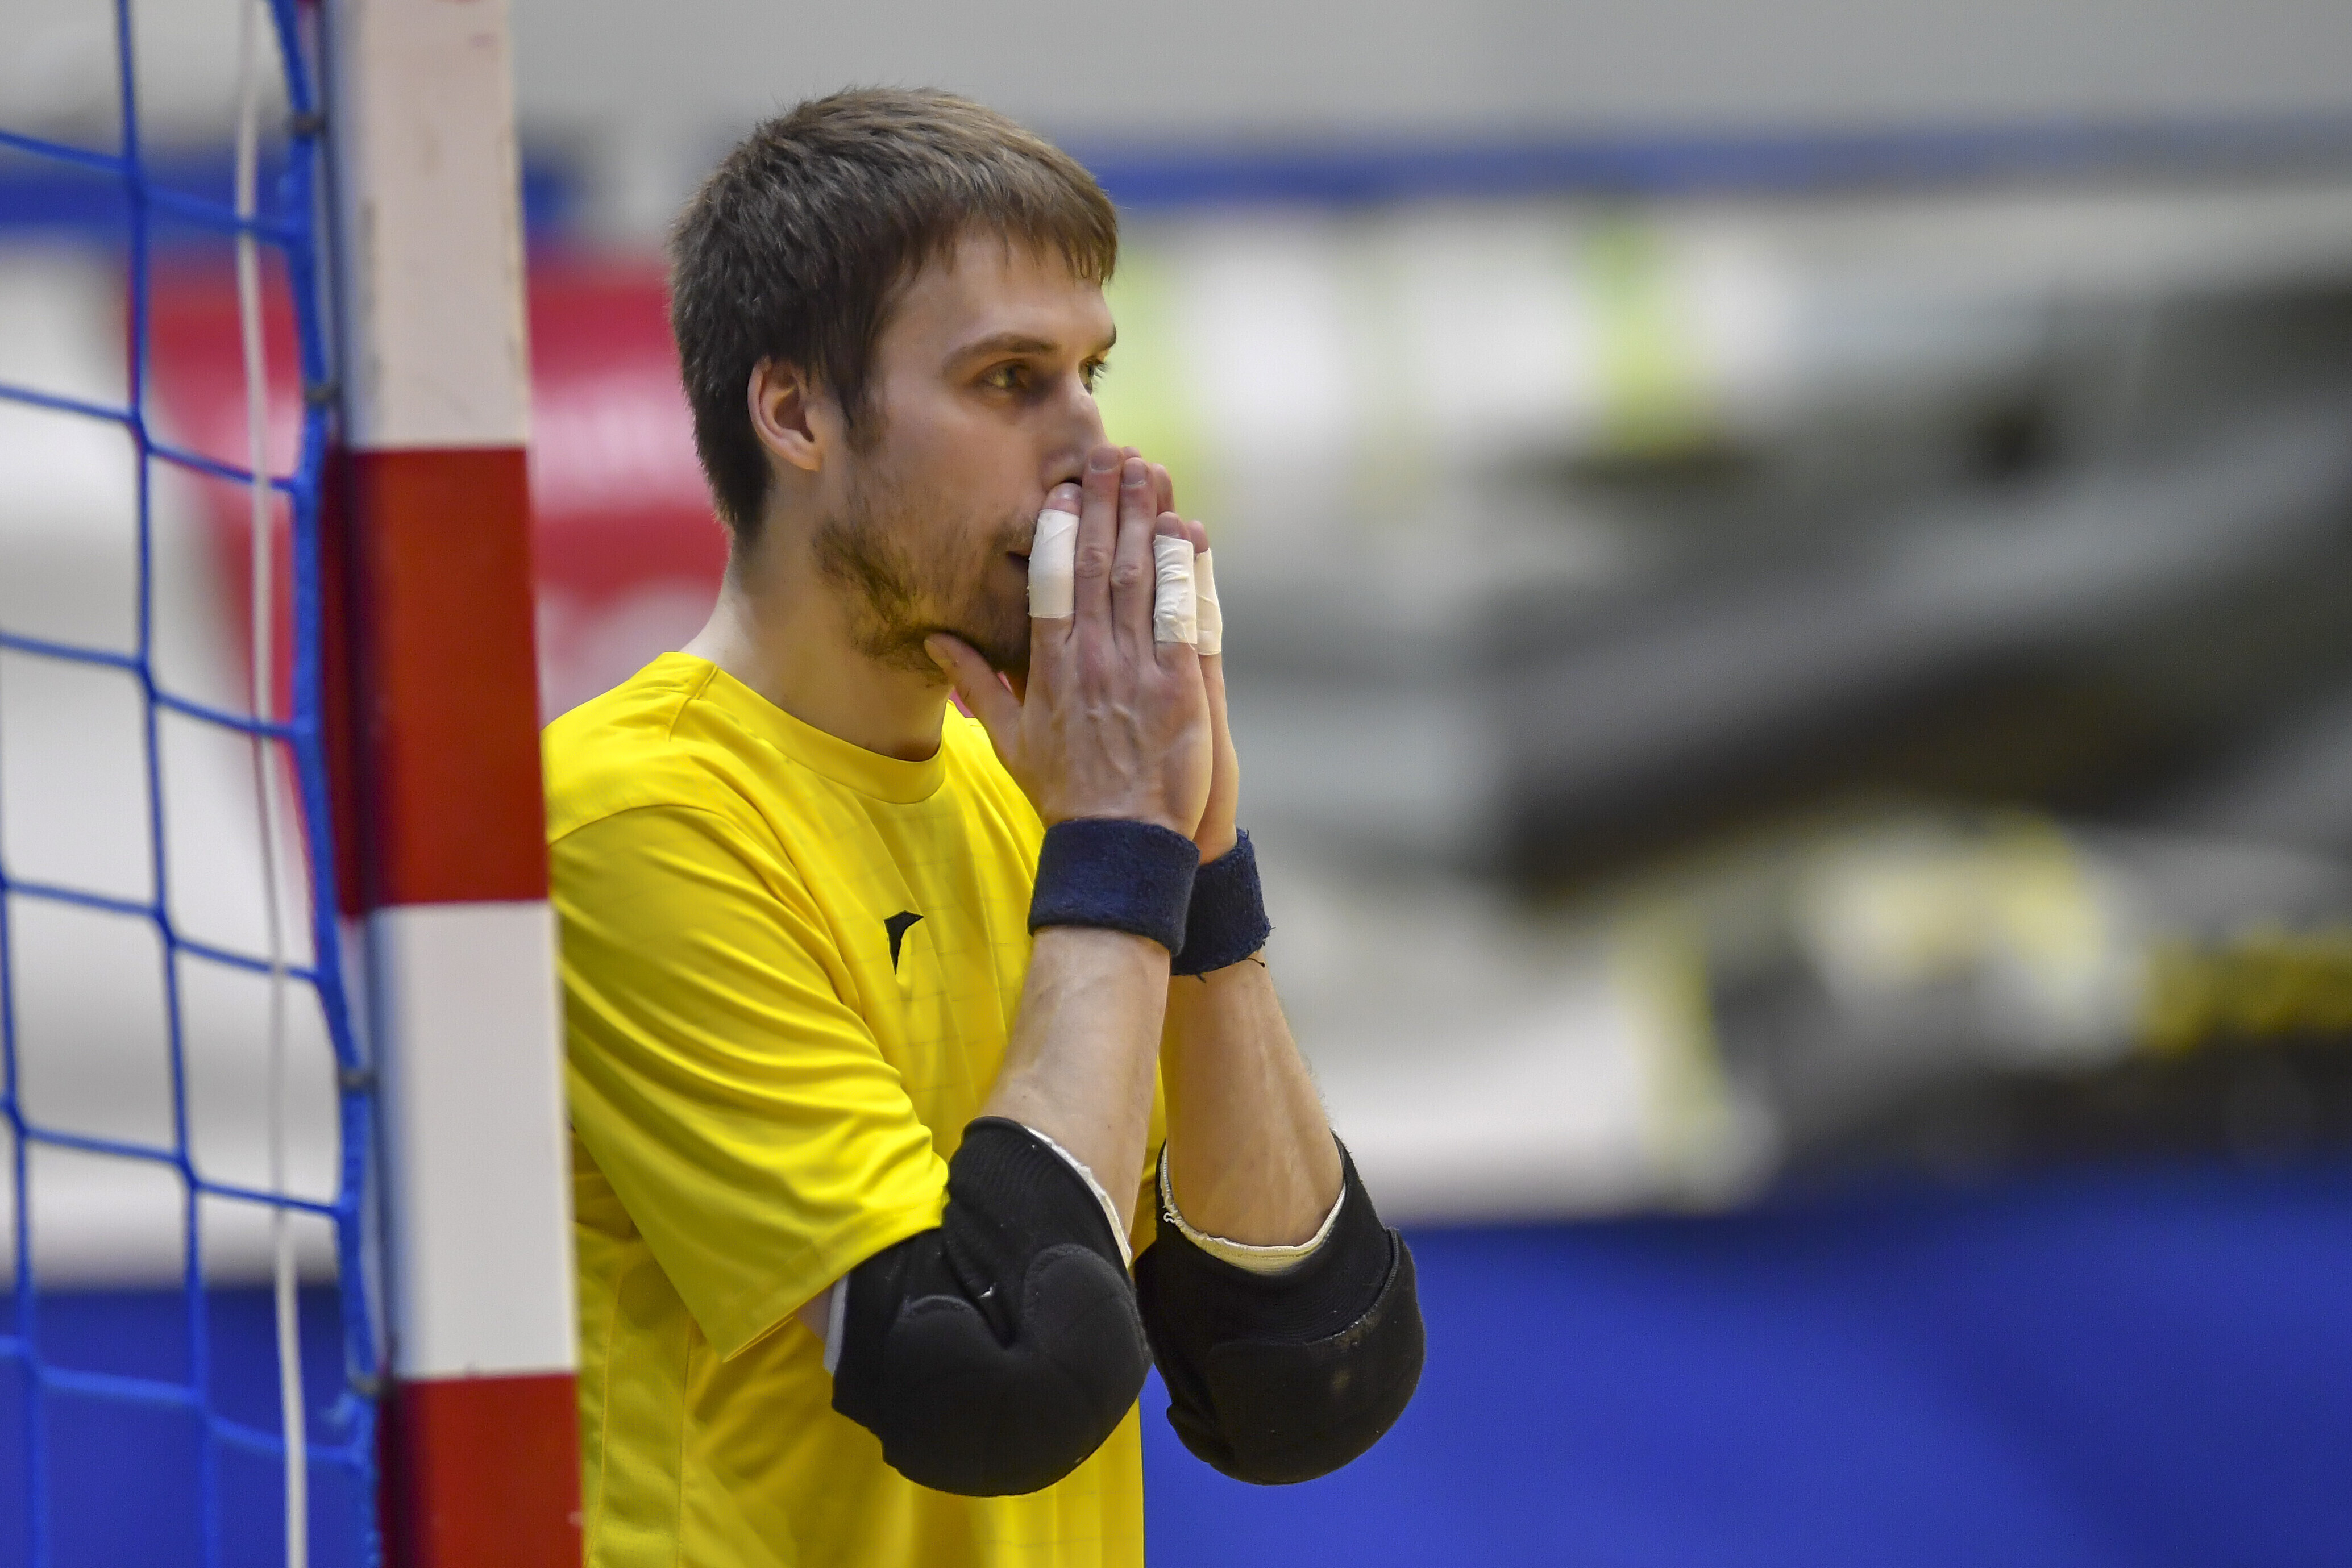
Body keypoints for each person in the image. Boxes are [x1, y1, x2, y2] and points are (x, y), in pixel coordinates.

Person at [545, 86, 1423, 1568]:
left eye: (1092, 373)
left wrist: (1200, 859)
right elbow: (994, 1376)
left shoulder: (1048, 794)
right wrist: (1121, 852)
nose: (1091, 447)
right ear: (797, 414)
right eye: (1010, 380)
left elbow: (1299, 1379)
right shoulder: (635, 817)